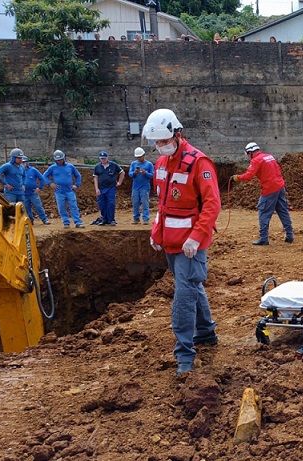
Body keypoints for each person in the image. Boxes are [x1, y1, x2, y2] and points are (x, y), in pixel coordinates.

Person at [142, 108, 220, 376]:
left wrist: (197, 238)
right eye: (157, 143)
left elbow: (212, 205)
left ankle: (184, 353)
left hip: (190, 244)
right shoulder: (160, 165)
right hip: (171, 243)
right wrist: (156, 232)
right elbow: (162, 206)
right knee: (191, 286)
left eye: (164, 141)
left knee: (184, 294)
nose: (159, 146)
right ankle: (207, 332)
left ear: (177, 134)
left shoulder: (199, 162)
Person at [233, 142, 294, 246]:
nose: (248, 156)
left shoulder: (256, 160)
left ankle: (264, 238)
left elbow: (248, 176)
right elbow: (278, 170)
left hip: (269, 189)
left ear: (251, 152)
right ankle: (290, 235)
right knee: (283, 211)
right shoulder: (269, 156)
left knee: (263, 212)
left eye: (248, 154)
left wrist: (237, 177)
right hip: (280, 186)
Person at [43, 150, 84, 229]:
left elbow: (78, 175)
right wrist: (50, 183)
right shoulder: (52, 168)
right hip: (59, 192)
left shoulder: (70, 166)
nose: (60, 161)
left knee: (74, 206)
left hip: (70, 191)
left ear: (64, 158)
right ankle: (66, 222)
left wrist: (76, 185)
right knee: (62, 207)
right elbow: (44, 176)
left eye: (61, 159)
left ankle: (78, 222)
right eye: (58, 160)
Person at [92, 151, 124, 226]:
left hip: (111, 188)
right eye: (101, 158)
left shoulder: (113, 165)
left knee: (110, 204)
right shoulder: (97, 167)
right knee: (102, 204)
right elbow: (95, 178)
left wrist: (119, 182)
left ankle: (111, 220)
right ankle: (104, 219)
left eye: (104, 158)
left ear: (107, 158)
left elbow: (122, 173)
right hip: (101, 188)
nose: (103, 160)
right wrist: (96, 189)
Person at [128, 147, 154, 224]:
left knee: (145, 203)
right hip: (135, 187)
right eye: (138, 157)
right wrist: (134, 173)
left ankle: (145, 219)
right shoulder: (133, 164)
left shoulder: (149, 164)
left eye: (140, 157)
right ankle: (136, 218)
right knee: (135, 203)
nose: (139, 159)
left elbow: (152, 175)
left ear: (143, 155)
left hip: (145, 187)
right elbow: (130, 174)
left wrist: (145, 173)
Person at [22, 158, 51, 225]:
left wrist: (39, 188)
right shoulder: (18, 171)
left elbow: (42, 178)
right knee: (26, 208)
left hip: (33, 193)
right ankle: (30, 221)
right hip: (23, 194)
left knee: (38, 206)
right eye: (21, 162)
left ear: (26, 163)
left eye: (24, 162)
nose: (22, 164)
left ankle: (44, 219)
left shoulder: (33, 170)